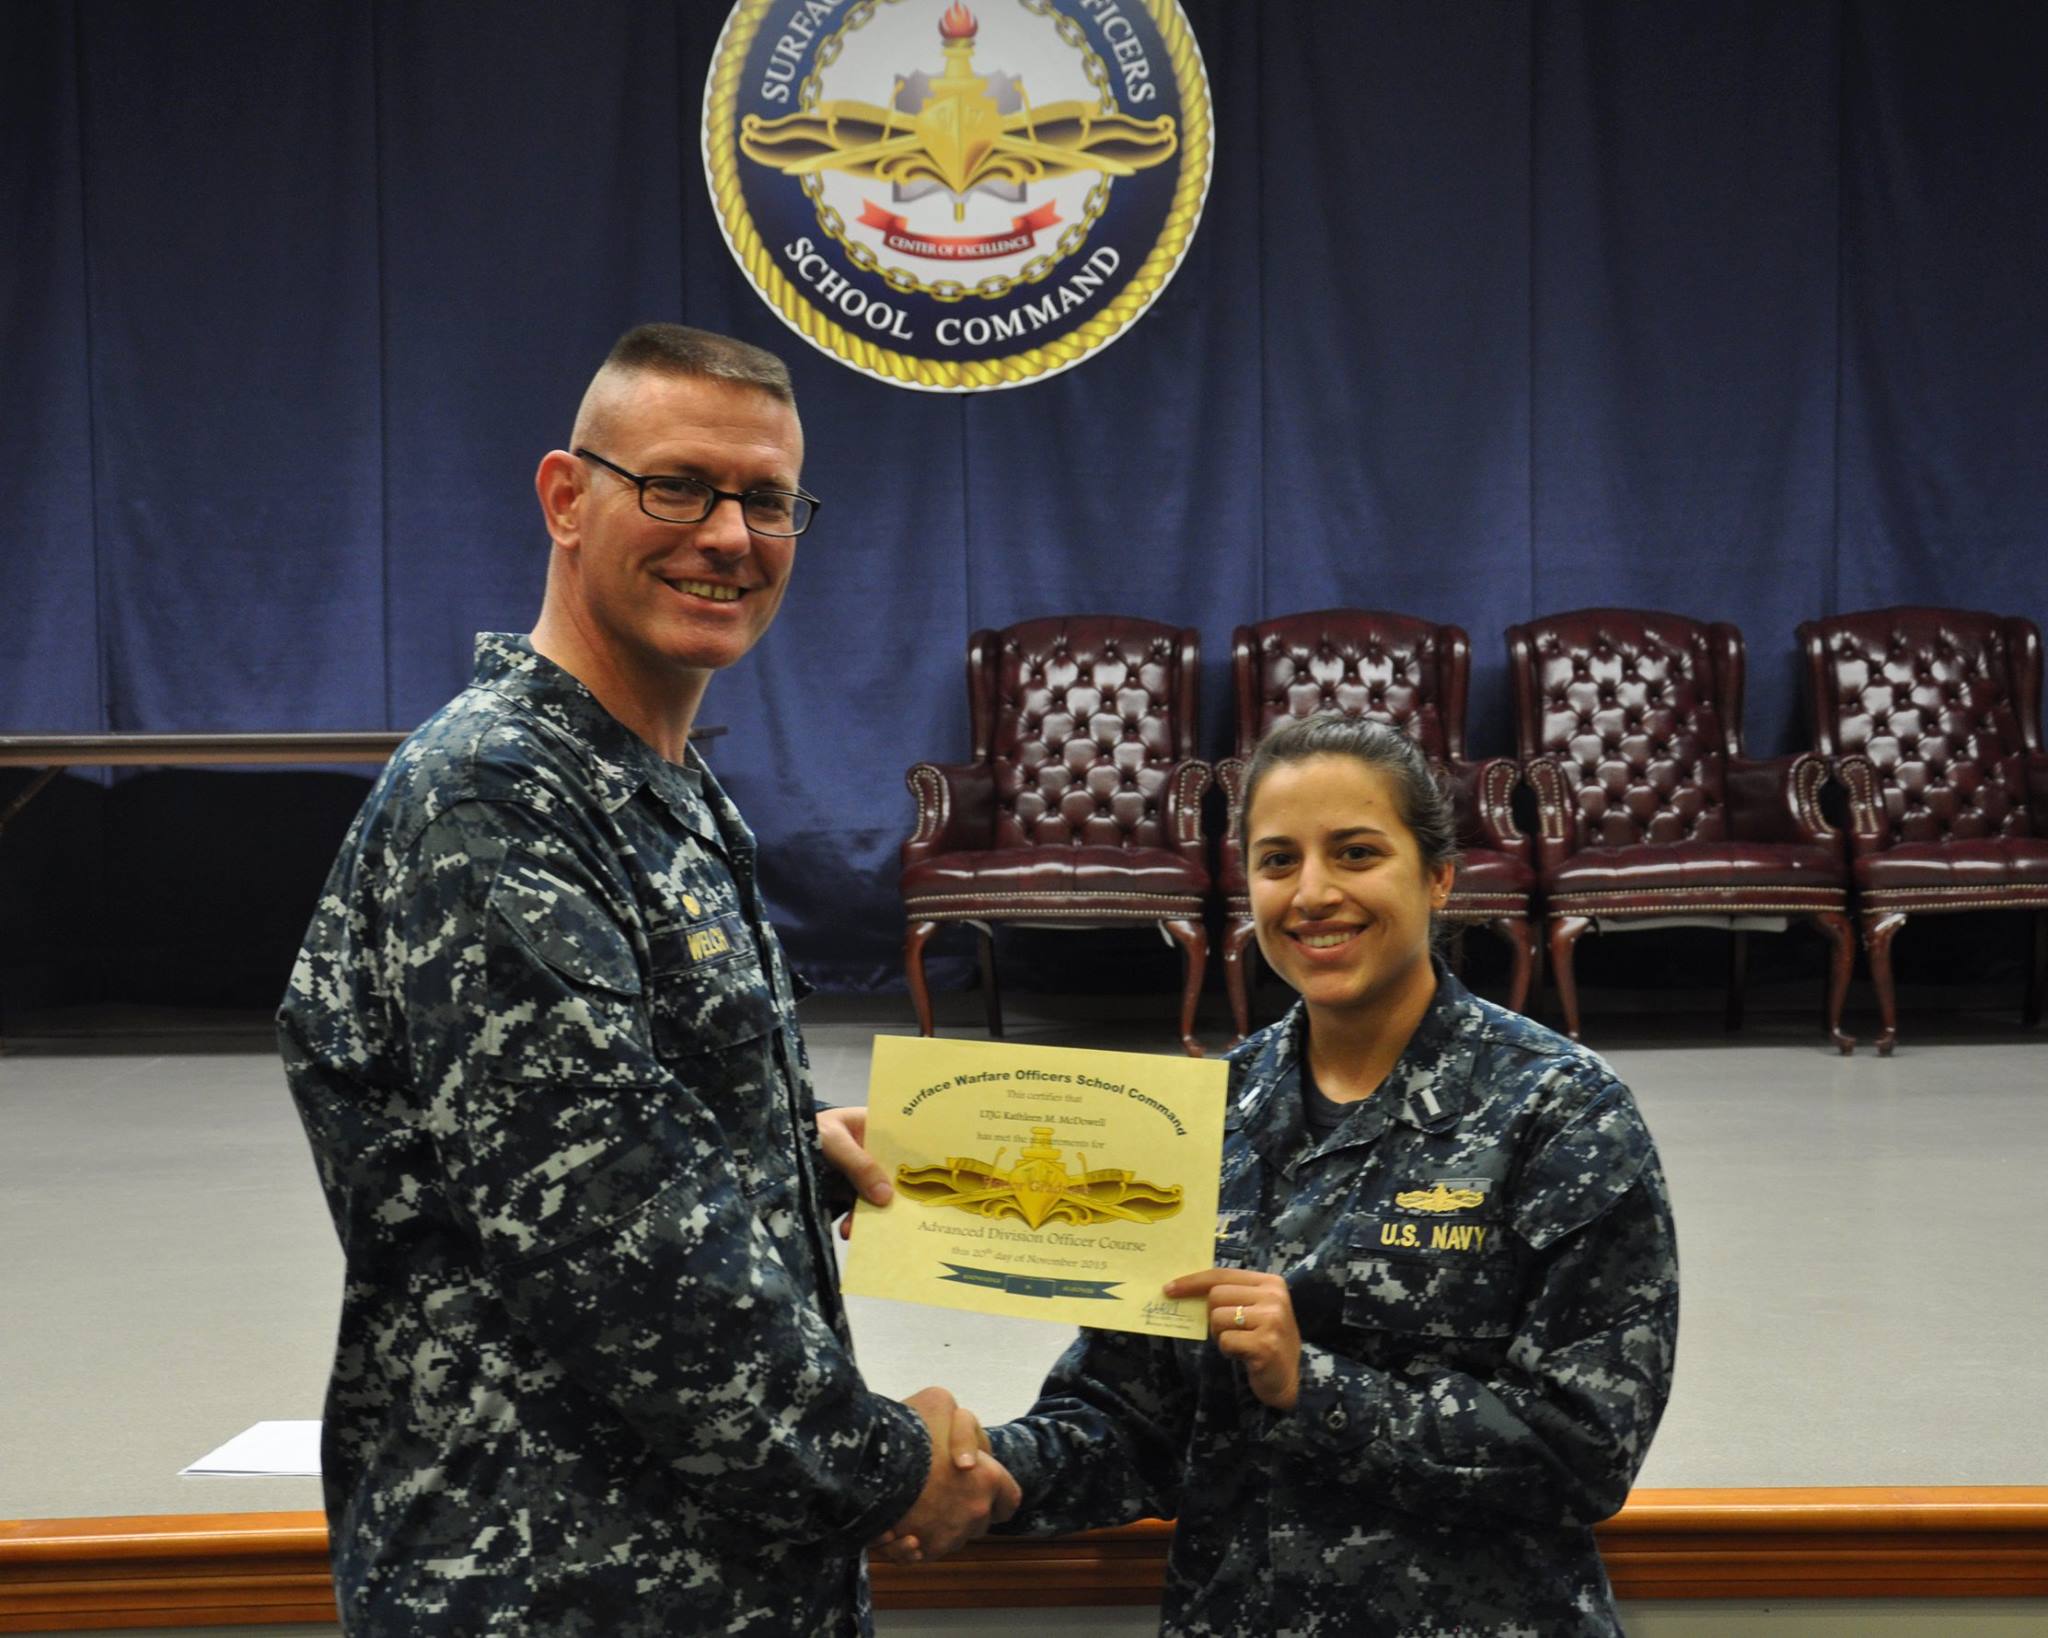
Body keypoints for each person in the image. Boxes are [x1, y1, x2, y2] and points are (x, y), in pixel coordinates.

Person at [279, 323, 1016, 1636]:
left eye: (767, 499)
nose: (729, 533)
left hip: (698, 1567)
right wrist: (891, 1465)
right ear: (567, 496)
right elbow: (616, 1244)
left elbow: (588, 1122)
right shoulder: (495, 799)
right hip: (554, 1579)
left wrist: (786, 1147)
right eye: (676, 485)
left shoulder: (650, 785)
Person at [979, 712, 1680, 1635]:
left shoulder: (1560, 1111)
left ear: (1437, 877)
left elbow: (1586, 1448)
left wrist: (1309, 1384)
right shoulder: (1200, 1113)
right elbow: (1130, 1412)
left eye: (1355, 853)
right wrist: (987, 1474)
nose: (1312, 893)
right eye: (1277, 862)